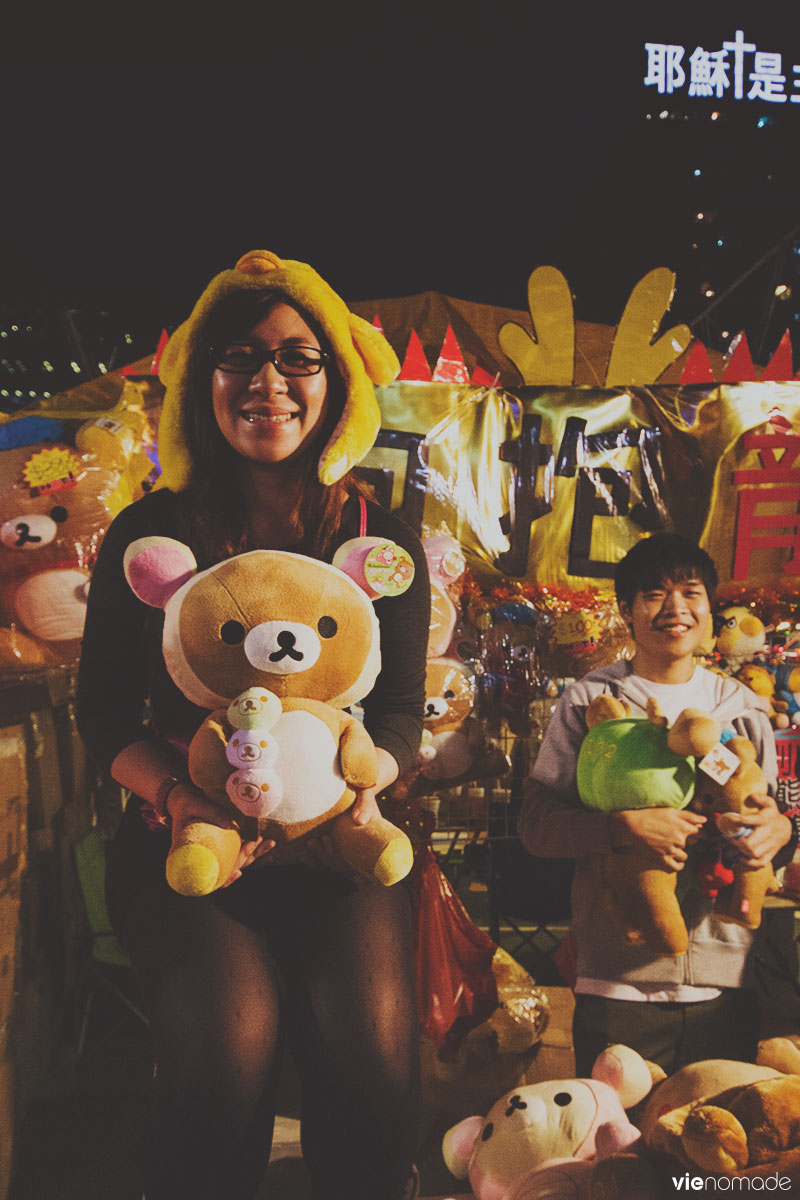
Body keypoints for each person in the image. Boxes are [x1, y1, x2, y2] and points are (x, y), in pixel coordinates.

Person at [77, 249, 431, 1200]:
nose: (268, 383)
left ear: (337, 381)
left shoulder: (379, 535)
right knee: (223, 1060)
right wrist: (184, 796)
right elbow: (103, 709)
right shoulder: (150, 534)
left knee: (372, 1063)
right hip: (190, 839)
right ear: (202, 378)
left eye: (298, 359)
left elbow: (398, 712)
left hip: (335, 843)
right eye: (240, 357)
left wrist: (366, 785)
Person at [518, 533, 796, 1077]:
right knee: (619, 1150)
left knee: (717, 1154)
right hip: (617, 982)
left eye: (691, 592)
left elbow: (774, 817)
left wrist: (779, 833)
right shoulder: (590, 704)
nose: (675, 608)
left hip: (729, 977)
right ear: (627, 611)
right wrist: (620, 828)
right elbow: (536, 824)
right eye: (654, 594)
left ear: (711, 608)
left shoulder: (744, 712)